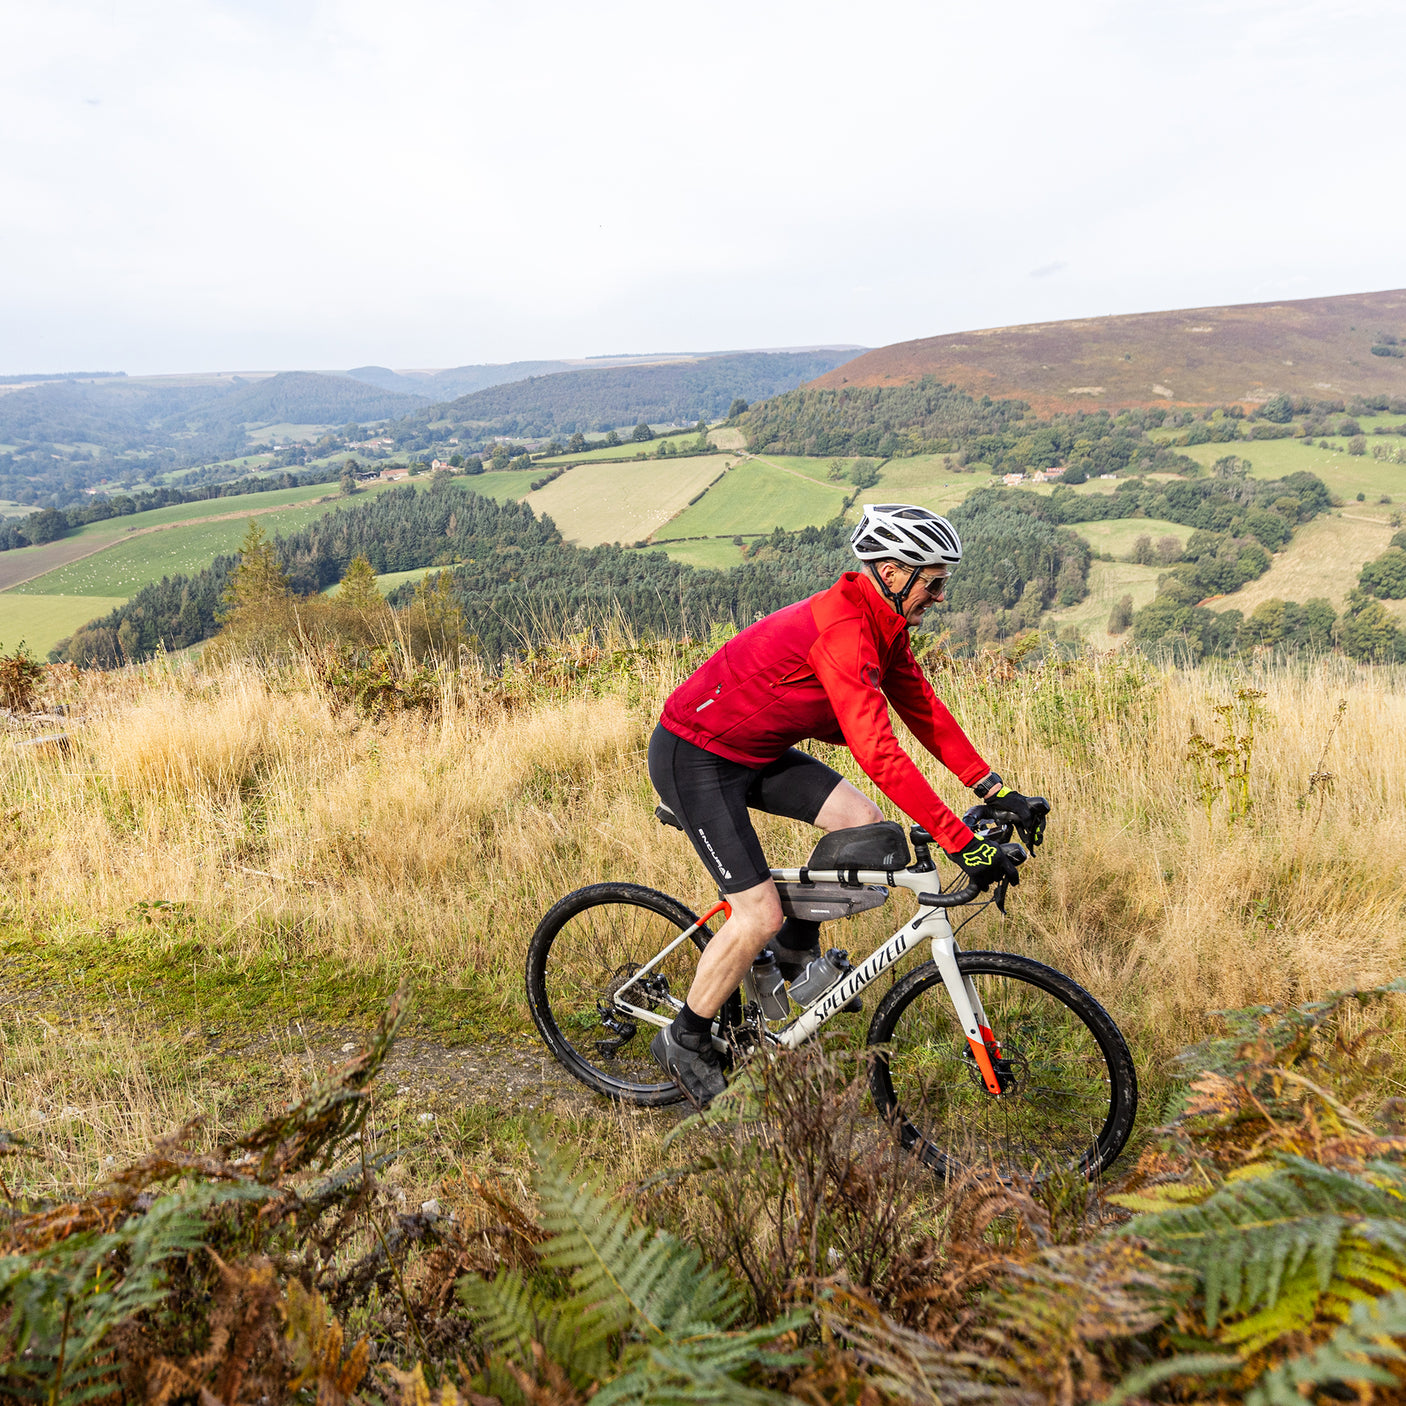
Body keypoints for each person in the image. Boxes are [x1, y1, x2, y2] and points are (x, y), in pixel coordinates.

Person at [647, 503, 1049, 1105]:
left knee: (861, 824)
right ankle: (686, 1037)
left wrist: (993, 788)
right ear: (891, 573)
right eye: (933, 582)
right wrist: (961, 841)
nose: (940, 596)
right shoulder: (844, 631)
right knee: (755, 913)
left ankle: (790, 954)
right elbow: (880, 754)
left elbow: (924, 711)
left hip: (755, 752)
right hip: (695, 757)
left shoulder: (885, 626)